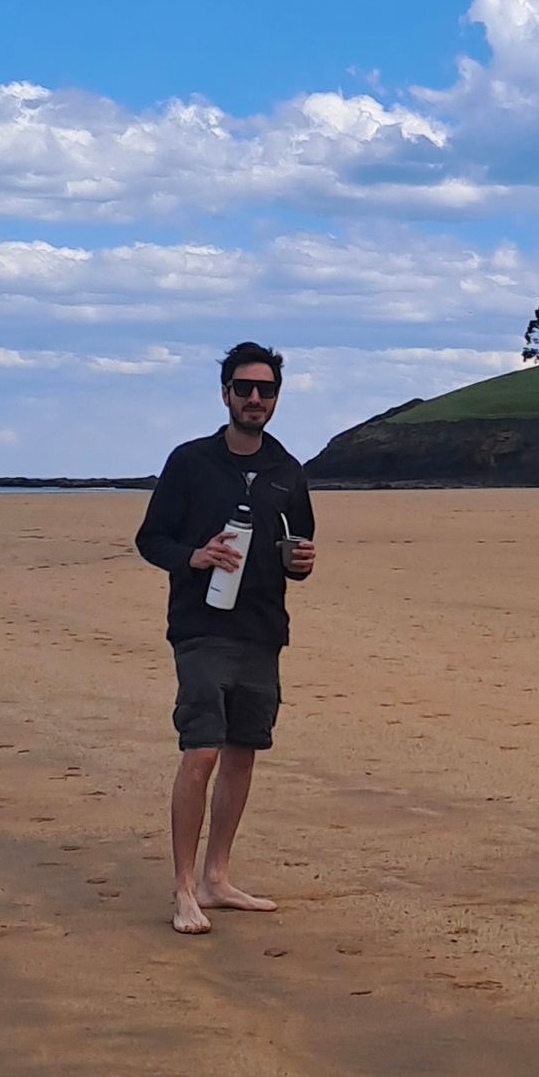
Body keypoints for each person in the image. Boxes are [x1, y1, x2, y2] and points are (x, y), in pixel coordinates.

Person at [135, 343, 316, 935]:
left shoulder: (287, 471)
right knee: (202, 750)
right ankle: (184, 888)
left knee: (242, 751)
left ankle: (217, 877)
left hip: (262, 631)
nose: (255, 398)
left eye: (266, 390)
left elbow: (298, 546)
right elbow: (150, 539)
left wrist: (300, 564)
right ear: (225, 394)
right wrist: (193, 556)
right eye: (244, 388)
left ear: (276, 398)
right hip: (201, 627)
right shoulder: (190, 462)